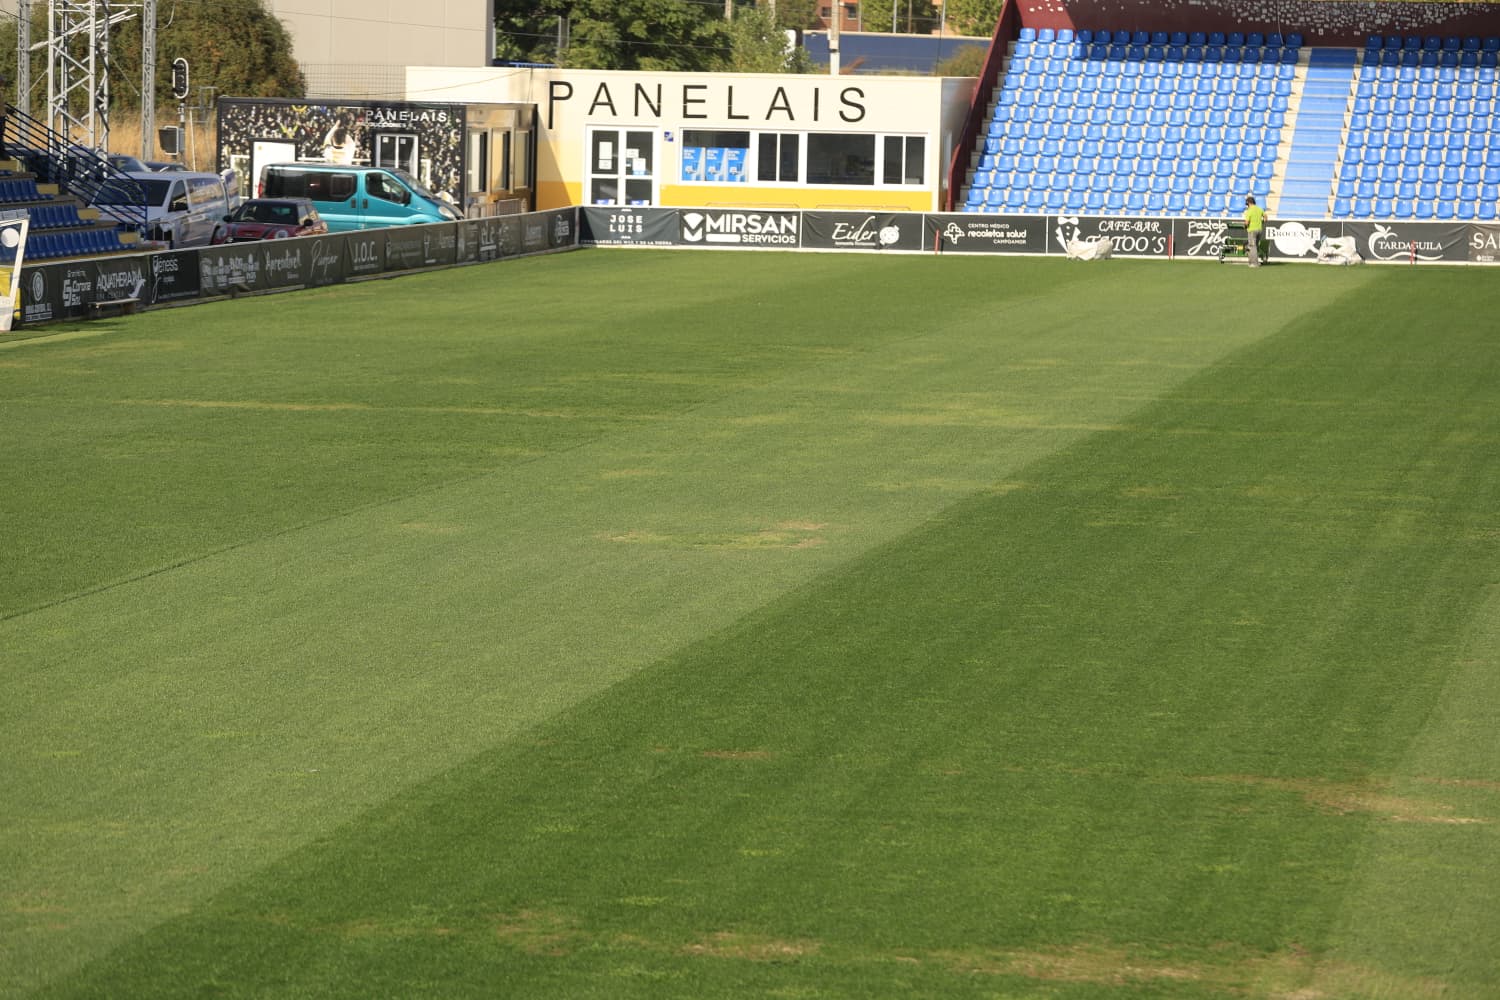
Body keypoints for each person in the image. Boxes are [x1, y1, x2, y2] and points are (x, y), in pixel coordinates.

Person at [1244, 195, 1266, 267]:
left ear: (1249, 203)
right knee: (1255, 246)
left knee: (1252, 246)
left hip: (1252, 230)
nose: (1247, 206)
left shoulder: (1249, 210)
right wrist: (1262, 222)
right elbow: (1265, 217)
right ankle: (1251, 262)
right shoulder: (1259, 209)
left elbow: (1247, 222)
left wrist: (1245, 226)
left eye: (1247, 204)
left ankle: (1254, 263)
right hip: (1259, 230)